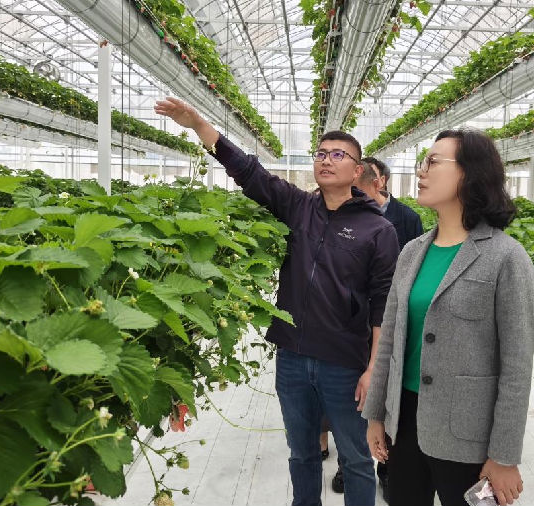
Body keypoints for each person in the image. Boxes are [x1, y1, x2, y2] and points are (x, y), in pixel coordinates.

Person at [154, 97, 399, 506]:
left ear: (358, 171)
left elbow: (383, 305)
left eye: (338, 155)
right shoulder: (299, 207)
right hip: (293, 358)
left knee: (356, 459)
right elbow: (250, 173)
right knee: (302, 453)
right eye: (320, 153)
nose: (325, 160)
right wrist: (199, 126)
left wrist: (374, 368)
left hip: (345, 363)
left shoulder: (378, 229)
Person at [361, 129, 534, 506]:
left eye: (433, 162)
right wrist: (377, 414)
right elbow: (389, 339)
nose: (421, 172)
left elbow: (517, 367)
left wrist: (504, 456)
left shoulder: (506, 257)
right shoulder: (412, 252)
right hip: (405, 422)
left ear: (471, 174)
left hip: (467, 432)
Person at [328, 157, 424, 500]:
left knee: (385, 390)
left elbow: (415, 269)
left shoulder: (407, 219)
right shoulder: (344, 214)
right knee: (354, 392)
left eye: (359, 190)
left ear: (375, 183)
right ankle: (348, 462)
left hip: (391, 316)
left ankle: (386, 466)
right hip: (353, 318)